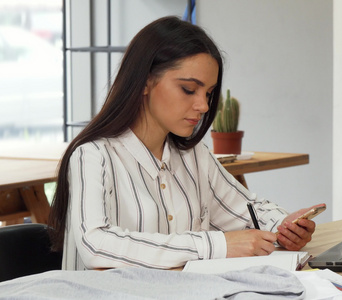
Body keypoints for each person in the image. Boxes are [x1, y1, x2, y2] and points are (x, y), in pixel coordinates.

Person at [48, 16, 318, 270]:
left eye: (209, 93)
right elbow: (97, 246)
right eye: (188, 89)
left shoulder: (194, 156)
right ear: (144, 81)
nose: (202, 105)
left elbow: (248, 210)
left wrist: (284, 226)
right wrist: (216, 244)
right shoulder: (92, 156)